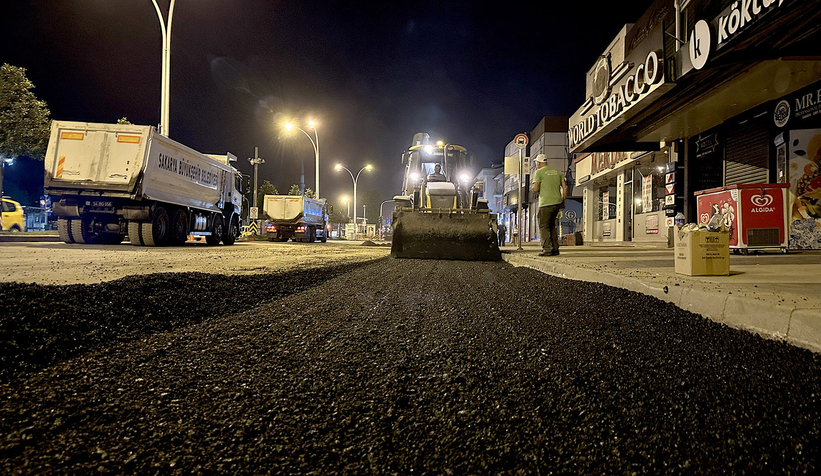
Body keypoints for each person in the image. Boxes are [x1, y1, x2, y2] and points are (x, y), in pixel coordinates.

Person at [531, 154, 568, 256]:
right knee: (552, 226)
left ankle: (547, 249)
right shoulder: (558, 172)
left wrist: (533, 187)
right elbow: (565, 187)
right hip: (556, 202)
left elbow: (536, 188)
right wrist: (563, 201)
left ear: (538, 163)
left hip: (545, 203)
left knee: (543, 226)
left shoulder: (539, 172)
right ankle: (555, 249)